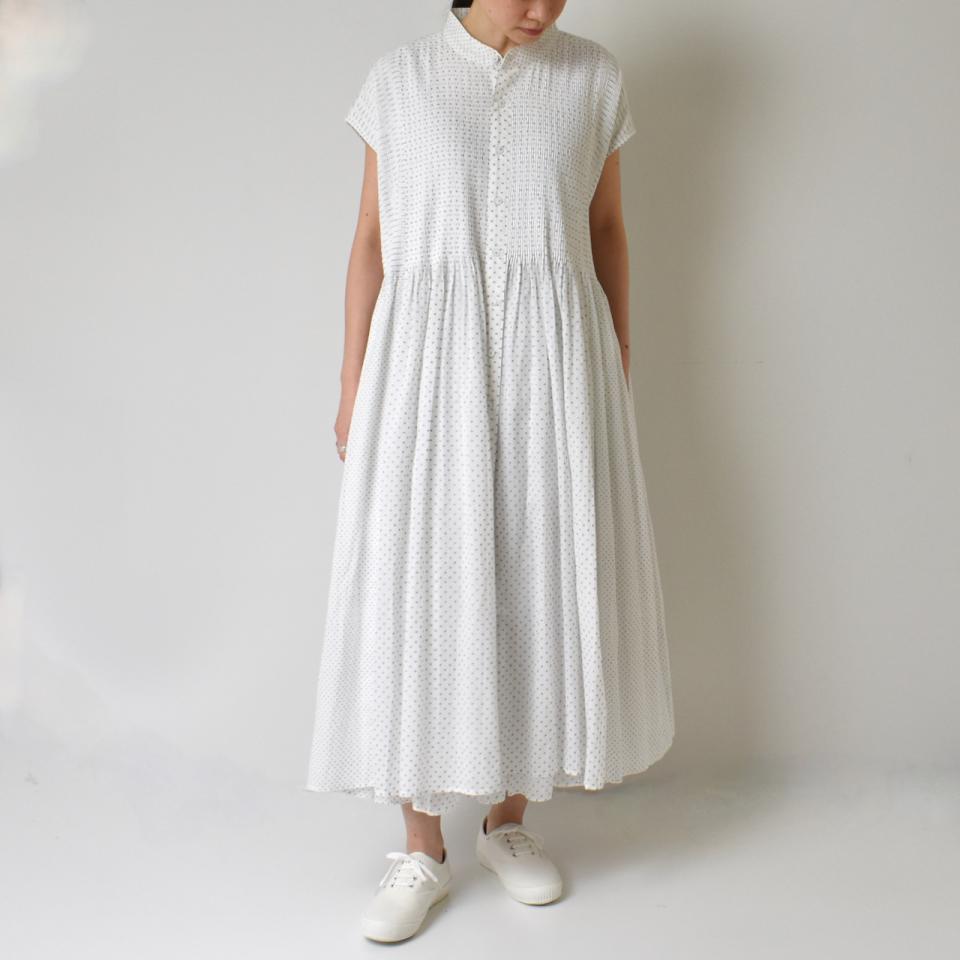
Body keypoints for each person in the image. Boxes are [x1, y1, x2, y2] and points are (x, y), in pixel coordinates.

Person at [305, 0, 675, 942]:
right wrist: (353, 384)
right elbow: (371, 240)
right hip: (426, 371)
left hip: (554, 368)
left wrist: (617, 357)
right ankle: (420, 845)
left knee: (536, 579)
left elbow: (606, 228)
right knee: (418, 583)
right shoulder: (399, 82)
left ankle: (508, 821)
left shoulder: (593, 78)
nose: (544, 10)